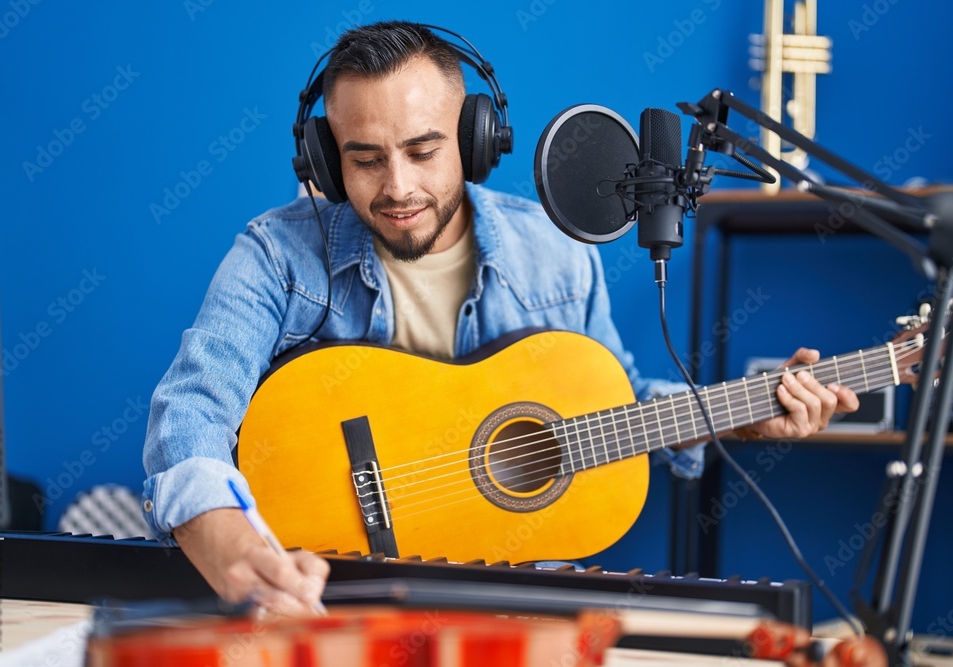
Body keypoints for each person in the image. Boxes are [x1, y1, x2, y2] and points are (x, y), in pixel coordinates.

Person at [141, 21, 859, 616]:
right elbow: (189, 415)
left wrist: (745, 413)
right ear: (327, 161)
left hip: (510, 601)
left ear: (478, 141)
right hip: (326, 601)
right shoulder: (276, 253)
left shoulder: (557, 255)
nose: (399, 187)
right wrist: (237, 553)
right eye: (365, 160)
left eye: (424, 151)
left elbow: (610, 404)